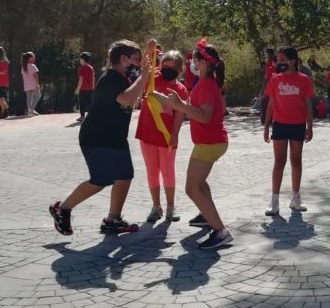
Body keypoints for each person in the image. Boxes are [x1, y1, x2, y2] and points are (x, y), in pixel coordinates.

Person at [49, 40, 150, 236]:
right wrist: (143, 77)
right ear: (123, 59)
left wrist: (142, 82)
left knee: (124, 176)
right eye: (136, 59)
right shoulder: (110, 78)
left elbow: (132, 102)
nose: (138, 64)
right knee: (100, 180)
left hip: (115, 137)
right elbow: (126, 99)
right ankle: (62, 208)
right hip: (96, 138)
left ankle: (113, 220)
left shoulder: (123, 79)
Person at [162, 39, 234, 250]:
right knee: (200, 185)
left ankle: (221, 231)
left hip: (209, 142)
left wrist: (180, 106)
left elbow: (204, 116)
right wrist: (174, 103)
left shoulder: (206, 85)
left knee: (192, 188)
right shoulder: (206, 83)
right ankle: (207, 216)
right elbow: (198, 109)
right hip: (210, 142)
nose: (191, 63)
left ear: (203, 63)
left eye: (194, 60)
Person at [137, 50, 188, 224]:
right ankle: (156, 206)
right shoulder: (152, 80)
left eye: (172, 67)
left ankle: (171, 207)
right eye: (165, 65)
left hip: (167, 137)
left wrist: (175, 135)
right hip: (147, 133)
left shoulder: (180, 89)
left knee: (168, 171)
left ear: (179, 70)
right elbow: (143, 72)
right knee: (152, 171)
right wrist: (148, 53)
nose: (167, 69)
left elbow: (180, 114)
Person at [263, 46, 313, 216]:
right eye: (278, 60)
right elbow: (270, 104)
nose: (279, 63)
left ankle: (295, 197)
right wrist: (266, 126)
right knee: (279, 162)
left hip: (298, 125)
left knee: (296, 161)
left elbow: (308, 105)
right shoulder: (275, 80)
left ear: (292, 61)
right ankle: (274, 200)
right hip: (279, 124)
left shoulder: (304, 80)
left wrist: (309, 127)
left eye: (283, 60)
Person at [74, 52, 96, 121]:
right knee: (90, 103)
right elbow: (93, 78)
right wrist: (93, 87)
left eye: (80, 59)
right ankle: (94, 115)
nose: (79, 60)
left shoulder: (82, 68)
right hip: (90, 89)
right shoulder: (91, 67)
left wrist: (77, 89)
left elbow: (81, 79)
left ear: (83, 59)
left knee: (82, 103)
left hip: (83, 89)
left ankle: (82, 116)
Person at [258, 47, 276, 125]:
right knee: (264, 100)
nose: (265, 54)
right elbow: (266, 76)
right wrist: (264, 88)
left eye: (266, 53)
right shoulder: (267, 63)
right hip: (269, 86)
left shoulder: (275, 63)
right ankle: (265, 118)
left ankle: (271, 118)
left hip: (275, 87)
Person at [21, 52, 41, 116]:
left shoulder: (23, 67)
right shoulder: (32, 66)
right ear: (29, 58)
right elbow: (35, 75)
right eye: (33, 57)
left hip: (27, 85)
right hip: (34, 84)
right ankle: (31, 109)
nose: (34, 58)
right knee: (38, 96)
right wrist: (37, 84)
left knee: (29, 98)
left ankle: (30, 111)